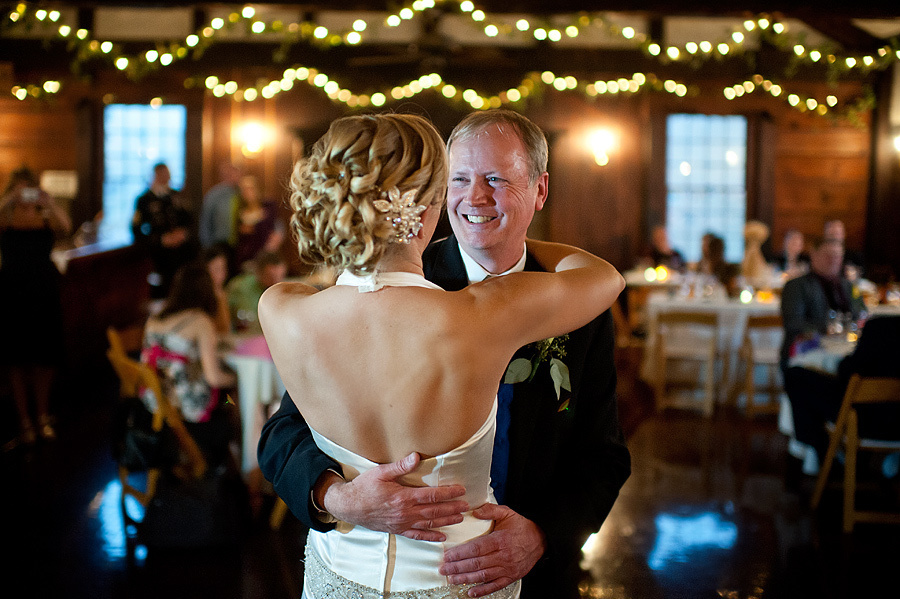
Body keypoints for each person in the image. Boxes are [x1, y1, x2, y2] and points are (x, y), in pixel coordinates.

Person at [258, 110, 632, 598]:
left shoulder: (284, 305)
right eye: (457, 180)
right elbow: (284, 432)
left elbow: (602, 454)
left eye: (496, 180)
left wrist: (544, 535)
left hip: (526, 572)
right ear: (432, 199)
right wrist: (338, 497)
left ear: (540, 190)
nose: (475, 197)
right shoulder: (500, 309)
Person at [0, 167, 71, 444]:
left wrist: (49, 203)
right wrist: (8, 200)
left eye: (28, 189)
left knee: (45, 358)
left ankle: (43, 415)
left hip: (43, 290)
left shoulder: (44, 214)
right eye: (19, 189)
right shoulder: (5, 215)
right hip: (12, 291)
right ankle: (24, 421)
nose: (25, 195)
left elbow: (66, 227)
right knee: (17, 360)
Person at [141, 261, 237, 466]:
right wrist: (238, 379)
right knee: (232, 398)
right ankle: (233, 464)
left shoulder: (154, 319)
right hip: (191, 409)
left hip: (158, 404)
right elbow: (214, 378)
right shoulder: (200, 321)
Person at [784, 315, 900, 466]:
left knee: (796, 376)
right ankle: (826, 451)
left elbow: (849, 373)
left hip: (863, 420)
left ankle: (822, 452)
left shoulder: (880, 326)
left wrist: (843, 363)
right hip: (894, 422)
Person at [779, 237, 864, 371]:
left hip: (844, 352)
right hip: (806, 357)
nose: (833, 260)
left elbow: (861, 315)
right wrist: (829, 328)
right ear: (814, 255)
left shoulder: (847, 286)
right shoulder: (796, 286)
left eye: (837, 256)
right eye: (828, 255)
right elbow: (793, 323)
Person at [131, 162, 197, 298]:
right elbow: (136, 229)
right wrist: (161, 240)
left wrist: (183, 233)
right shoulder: (144, 200)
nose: (166, 177)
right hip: (160, 256)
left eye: (167, 174)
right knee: (162, 290)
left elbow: (190, 220)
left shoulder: (175, 195)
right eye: (162, 174)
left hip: (181, 253)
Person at [232, 174, 285, 270]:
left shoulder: (269, 207)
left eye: (250, 189)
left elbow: (277, 228)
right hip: (248, 258)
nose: (247, 192)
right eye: (244, 189)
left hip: (267, 254)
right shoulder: (240, 212)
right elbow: (241, 235)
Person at [226, 249, 287, 332]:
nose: (275, 282)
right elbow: (248, 323)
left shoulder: (282, 289)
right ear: (258, 272)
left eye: (280, 276)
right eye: (270, 277)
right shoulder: (242, 289)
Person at [199, 161, 242, 250]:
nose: (234, 176)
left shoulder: (242, 193)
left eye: (235, 173)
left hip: (240, 243)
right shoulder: (214, 195)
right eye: (229, 174)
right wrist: (207, 246)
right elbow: (205, 221)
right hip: (219, 243)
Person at [203, 243, 233, 334]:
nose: (222, 274)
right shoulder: (203, 298)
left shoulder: (223, 293)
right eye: (217, 269)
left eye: (223, 268)